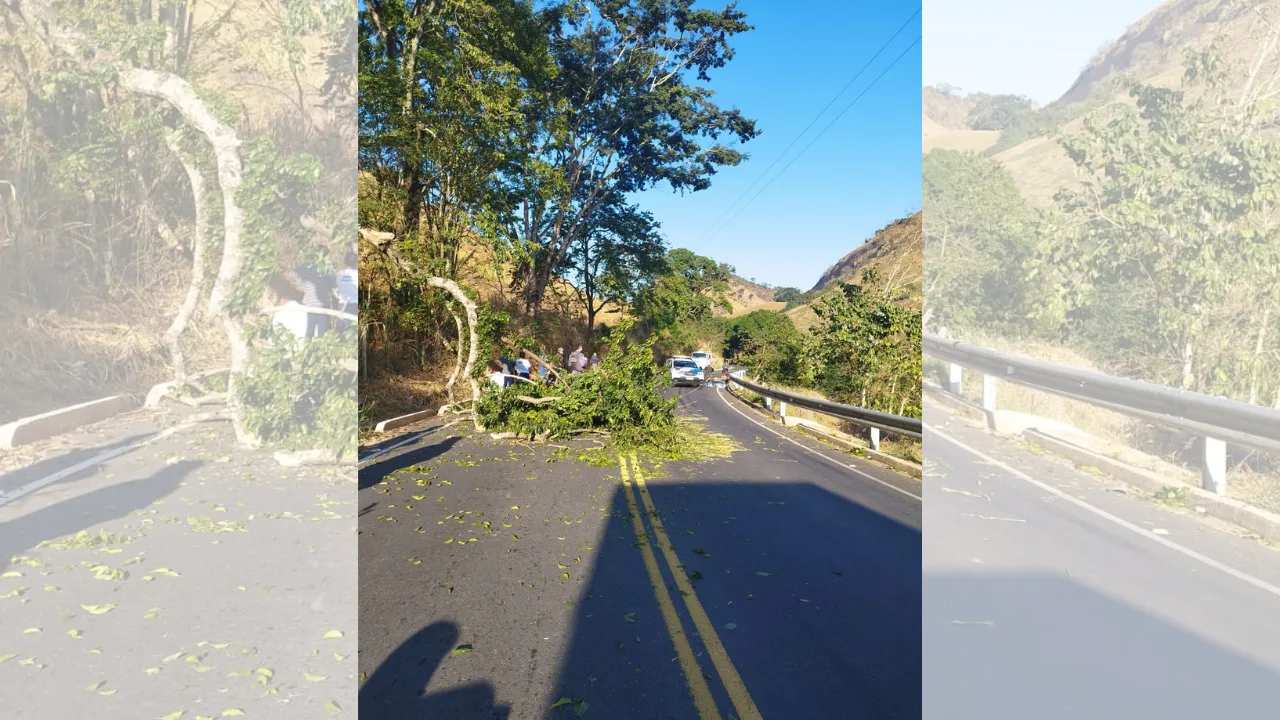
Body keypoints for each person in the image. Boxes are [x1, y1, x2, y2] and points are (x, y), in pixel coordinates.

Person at [335, 250, 357, 332]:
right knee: (353, 330)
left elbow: (337, 286)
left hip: (342, 304)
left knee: (342, 328)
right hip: (355, 304)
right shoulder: (357, 274)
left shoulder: (339, 274)